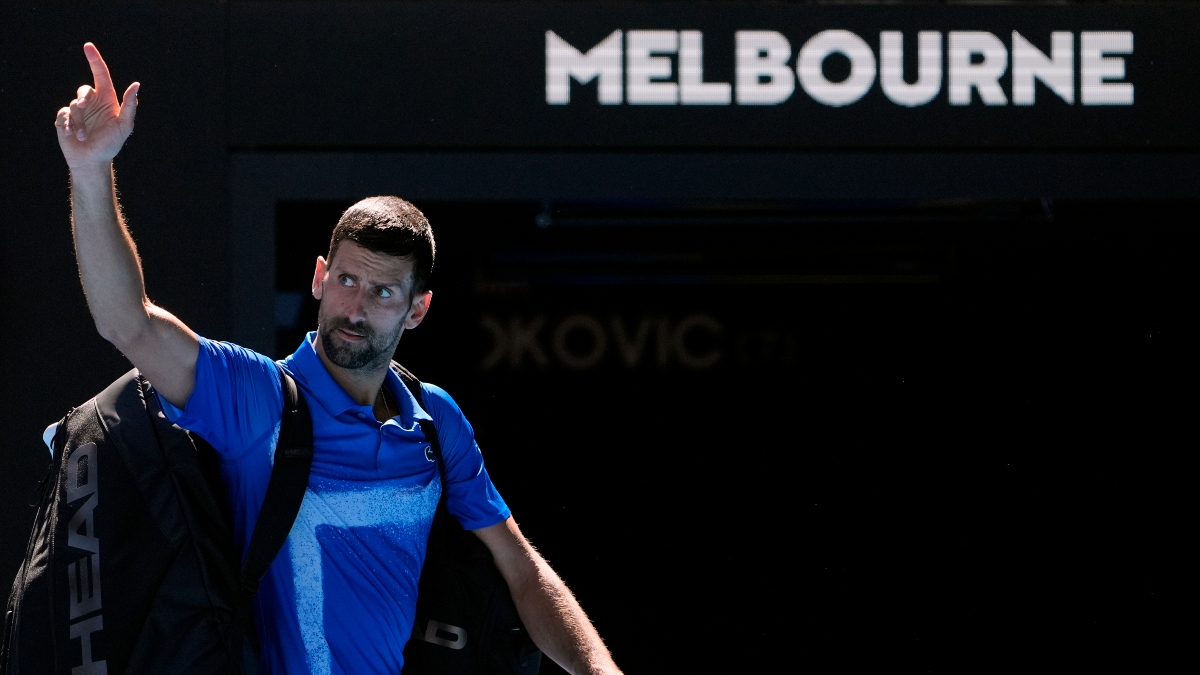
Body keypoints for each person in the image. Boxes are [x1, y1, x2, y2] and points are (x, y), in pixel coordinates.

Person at [54, 42, 622, 675]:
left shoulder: (438, 424)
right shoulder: (258, 398)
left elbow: (520, 569)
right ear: (320, 277)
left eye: (382, 292)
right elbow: (125, 320)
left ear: (417, 309)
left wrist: (598, 670)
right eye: (347, 281)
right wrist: (89, 170)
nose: (355, 307)